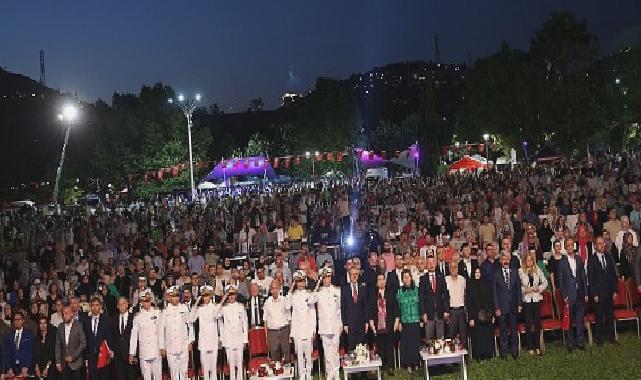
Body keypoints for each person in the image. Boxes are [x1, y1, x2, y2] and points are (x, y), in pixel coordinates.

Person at [310, 267, 342, 380]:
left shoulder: (337, 290)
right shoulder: (318, 292)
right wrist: (318, 283)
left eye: (328, 276)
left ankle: (336, 372)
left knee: (335, 351)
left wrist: (341, 324)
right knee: (327, 352)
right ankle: (329, 373)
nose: (327, 279)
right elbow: (310, 300)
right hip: (324, 326)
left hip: (335, 325)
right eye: (324, 277)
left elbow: (339, 309)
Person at [558, 238, 588, 352]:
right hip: (569, 296)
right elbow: (560, 282)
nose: (570, 247)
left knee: (580, 320)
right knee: (569, 321)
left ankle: (581, 342)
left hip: (579, 294)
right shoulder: (562, 262)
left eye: (572, 245)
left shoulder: (579, 259)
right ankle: (570, 344)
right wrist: (564, 295)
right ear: (565, 248)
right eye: (568, 245)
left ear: (574, 246)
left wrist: (585, 292)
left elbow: (583, 277)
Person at [286, 270, 317, 380]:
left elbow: (313, 312)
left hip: (308, 329)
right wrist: (292, 286)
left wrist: (313, 329)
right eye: (298, 281)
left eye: (302, 281)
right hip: (297, 330)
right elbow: (287, 305)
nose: (301, 284)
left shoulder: (309, 294)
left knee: (308, 355)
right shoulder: (292, 295)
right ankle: (301, 376)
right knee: (299, 355)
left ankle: (309, 375)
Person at [587, 236, 617, 346]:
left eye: (603, 243)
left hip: (609, 292)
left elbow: (613, 275)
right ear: (595, 246)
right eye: (599, 244)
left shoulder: (608, 257)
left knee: (610, 316)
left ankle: (612, 338)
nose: (602, 245)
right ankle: (599, 340)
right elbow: (590, 278)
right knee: (599, 318)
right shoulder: (592, 259)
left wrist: (615, 290)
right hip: (598, 294)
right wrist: (594, 293)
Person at [160, 286, 193, 380]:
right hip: (170, 347)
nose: (176, 298)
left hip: (183, 345)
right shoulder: (165, 311)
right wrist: (162, 347)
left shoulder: (184, 308)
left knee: (184, 373)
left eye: (177, 296)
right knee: (174, 374)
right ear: (169, 297)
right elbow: (161, 330)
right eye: (173, 296)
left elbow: (190, 325)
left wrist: (190, 341)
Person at [493, 252, 522, 359]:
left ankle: (515, 352)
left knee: (514, 330)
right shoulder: (496, 273)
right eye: (504, 259)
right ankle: (504, 352)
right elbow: (495, 293)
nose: (506, 261)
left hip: (514, 306)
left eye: (507, 259)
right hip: (502, 307)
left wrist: (519, 304)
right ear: (500, 261)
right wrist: (497, 307)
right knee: (503, 330)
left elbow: (518, 289)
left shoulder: (515, 271)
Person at [129, 289, 163, 380]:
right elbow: (134, 335)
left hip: (156, 350)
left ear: (151, 300)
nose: (146, 303)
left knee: (158, 376)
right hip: (144, 352)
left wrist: (162, 347)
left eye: (148, 301)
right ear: (141, 302)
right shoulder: (138, 316)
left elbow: (161, 331)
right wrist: (132, 353)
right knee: (146, 377)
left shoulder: (157, 312)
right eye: (144, 301)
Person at [191, 285, 223, 380]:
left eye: (207, 296)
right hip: (203, 341)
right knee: (205, 369)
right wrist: (196, 304)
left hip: (213, 340)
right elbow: (191, 319)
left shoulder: (215, 307)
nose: (206, 298)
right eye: (204, 296)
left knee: (213, 369)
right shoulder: (200, 308)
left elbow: (216, 315)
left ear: (211, 296)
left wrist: (220, 303)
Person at [519, 252, 547, 355]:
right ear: (525, 261)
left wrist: (538, 288)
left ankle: (537, 346)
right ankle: (530, 347)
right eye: (527, 260)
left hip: (535, 299)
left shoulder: (538, 270)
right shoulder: (520, 271)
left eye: (531, 260)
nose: (529, 262)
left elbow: (545, 282)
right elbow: (518, 286)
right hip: (526, 300)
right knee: (527, 323)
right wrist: (524, 290)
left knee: (537, 323)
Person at [368, 274, 396, 375]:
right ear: (376, 282)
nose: (381, 281)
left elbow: (395, 309)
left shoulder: (390, 293)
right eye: (379, 279)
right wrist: (372, 324)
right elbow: (370, 310)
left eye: (382, 279)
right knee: (380, 347)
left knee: (389, 347)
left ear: (385, 281)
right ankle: (382, 368)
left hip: (389, 324)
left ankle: (390, 367)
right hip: (378, 324)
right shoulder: (373, 295)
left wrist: (396, 322)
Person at [394, 269, 421, 374]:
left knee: (415, 343)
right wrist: (399, 321)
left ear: (411, 277)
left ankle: (416, 363)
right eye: (404, 277)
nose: (406, 279)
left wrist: (421, 317)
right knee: (406, 344)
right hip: (404, 321)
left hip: (415, 320)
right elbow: (398, 308)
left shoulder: (417, 290)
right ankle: (408, 364)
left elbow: (420, 305)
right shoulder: (399, 291)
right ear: (402, 279)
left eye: (407, 276)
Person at [220, 285, 248, 380]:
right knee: (231, 366)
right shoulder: (223, 308)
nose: (231, 296)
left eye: (233, 294)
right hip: (228, 340)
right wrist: (223, 300)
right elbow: (215, 315)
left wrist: (245, 340)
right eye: (229, 294)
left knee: (240, 364)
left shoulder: (241, 307)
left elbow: (245, 324)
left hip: (239, 339)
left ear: (236, 295)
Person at [466, 268, 495, 360]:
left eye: (479, 272)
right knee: (478, 336)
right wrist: (470, 318)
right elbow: (468, 303)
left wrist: (492, 314)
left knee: (487, 334)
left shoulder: (486, 284)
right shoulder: (470, 285)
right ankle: (478, 355)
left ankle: (488, 354)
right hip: (475, 314)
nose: (477, 274)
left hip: (487, 314)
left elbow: (491, 300)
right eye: (476, 272)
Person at [82, 295, 113, 380]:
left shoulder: (106, 320)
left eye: (97, 305)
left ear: (100, 306)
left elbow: (109, 337)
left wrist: (110, 352)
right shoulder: (86, 321)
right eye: (93, 305)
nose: (95, 307)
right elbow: (84, 339)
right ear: (90, 307)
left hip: (103, 355)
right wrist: (86, 356)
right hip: (91, 356)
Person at [419, 255, 449, 341]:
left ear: (435, 264)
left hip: (440, 312)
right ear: (426, 265)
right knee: (429, 339)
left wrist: (446, 310)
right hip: (428, 314)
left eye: (433, 262)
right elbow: (421, 298)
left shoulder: (441, 277)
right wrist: (423, 313)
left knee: (441, 339)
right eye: (429, 263)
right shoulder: (423, 279)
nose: (431, 264)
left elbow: (445, 295)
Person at [55, 304, 87, 380]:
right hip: (64, 364)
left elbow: (83, 343)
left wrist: (73, 357)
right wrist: (58, 362)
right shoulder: (60, 327)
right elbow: (58, 345)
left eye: (66, 313)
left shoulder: (79, 325)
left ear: (72, 314)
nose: (64, 316)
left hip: (76, 364)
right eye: (63, 314)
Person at [263, 280, 291, 364]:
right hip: (272, 333)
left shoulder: (284, 300)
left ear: (279, 289)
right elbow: (265, 321)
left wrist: (290, 334)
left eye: (275, 288)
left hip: (284, 331)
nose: (274, 291)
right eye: (272, 289)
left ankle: (288, 376)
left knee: (286, 357)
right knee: (275, 359)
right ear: (270, 290)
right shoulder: (267, 302)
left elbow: (289, 319)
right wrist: (267, 336)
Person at [341, 267, 368, 350]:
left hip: (361, 322)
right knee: (352, 346)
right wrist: (345, 323)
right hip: (350, 323)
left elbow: (365, 307)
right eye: (352, 274)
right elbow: (343, 307)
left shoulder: (363, 288)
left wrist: (366, 322)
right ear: (349, 275)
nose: (354, 276)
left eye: (356, 274)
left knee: (361, 347)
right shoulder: (344, 289)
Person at [4, 311, 34, 377]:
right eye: (15, 320)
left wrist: (26, 366)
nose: (17, 321)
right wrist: (9, 368)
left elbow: (30, 352)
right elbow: (7, 353)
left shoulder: (28, 335)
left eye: (19, 319)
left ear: (23, 321)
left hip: (24, 368)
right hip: (12, 368)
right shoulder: (10, 336)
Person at [112, 297, 135, 380]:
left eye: (123, 304)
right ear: (117, 306)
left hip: (130, 355)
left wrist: (134, 353)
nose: (121, 306)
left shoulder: (134, 318)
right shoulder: (114, 319)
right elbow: (112, 336)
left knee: (131, 377)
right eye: (119, 304)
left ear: (127, 304)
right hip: (118, 356)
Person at [445, 261, 467, 345]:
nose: (453, 269)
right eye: (451, 267)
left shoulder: (462, 279)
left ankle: (464, 356)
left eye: (455, 267)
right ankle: (450, 355)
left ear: (458, 268)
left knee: (463, 335)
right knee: (450, 335)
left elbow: (465, 295)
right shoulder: (446, 279)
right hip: (451, 311)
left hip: (461, 310)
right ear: (449, 269)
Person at [34, 315, 58, 380]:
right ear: (38, 325)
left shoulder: (52, 338)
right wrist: (36, 368)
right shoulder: (36, 339)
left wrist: (47, 368)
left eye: (45, 323)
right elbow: (34, 355)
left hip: (50, 368)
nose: (43, 325)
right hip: (38, 368)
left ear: (47, 324)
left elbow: (52, 355)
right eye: (41, 323)